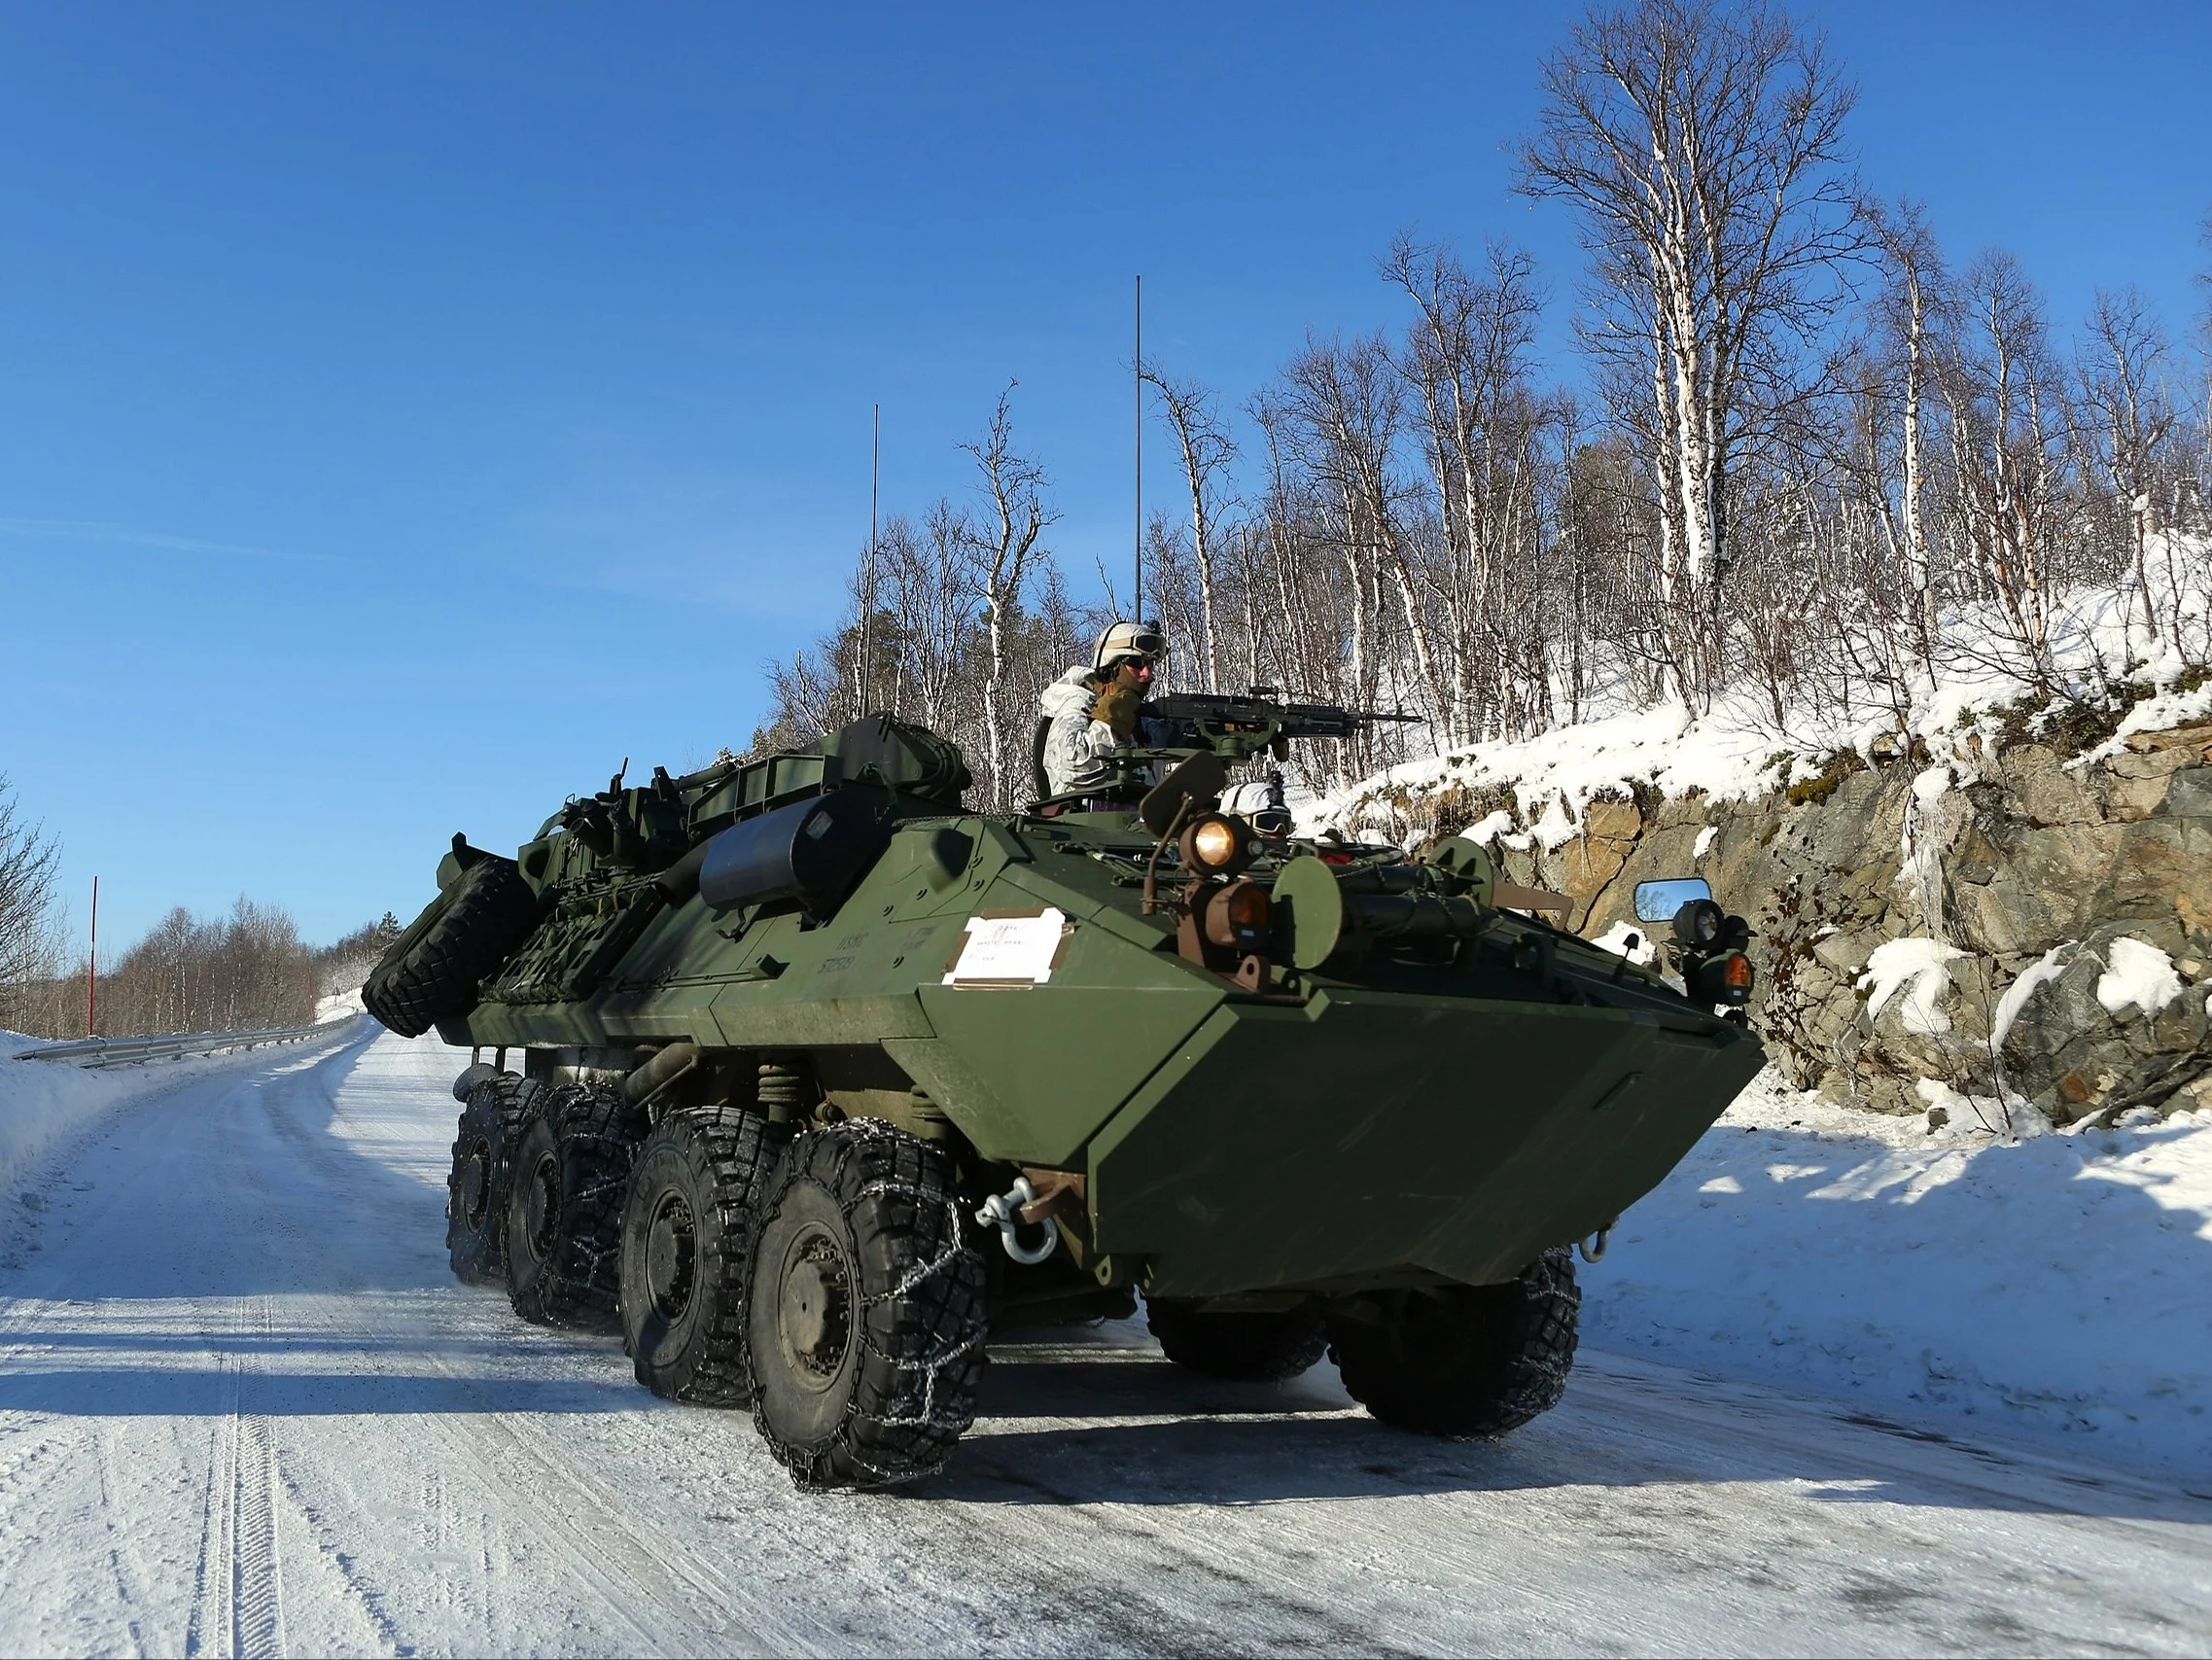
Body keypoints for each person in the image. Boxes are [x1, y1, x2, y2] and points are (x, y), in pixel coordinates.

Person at [1038, 620, 1165, 798]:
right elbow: (1073, 763)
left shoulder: (1139, 718)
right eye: (1137, 663)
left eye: (1151, 664)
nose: (1147, 674)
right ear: (1112, 665)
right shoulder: (1077, 702)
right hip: (1081, 821)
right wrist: (1112, 719)